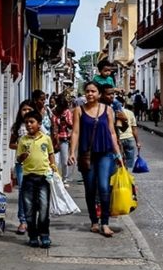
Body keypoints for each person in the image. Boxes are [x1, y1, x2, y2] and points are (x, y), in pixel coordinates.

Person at [68, 81, 123, 237]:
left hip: (106, 153)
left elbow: (112, 132)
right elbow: (76, 132)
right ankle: (94, 221)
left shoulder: (108, 110)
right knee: (90, 189)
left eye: (93, 91)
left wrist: (118, 153)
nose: (90, 94)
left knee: (105, 187)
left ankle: (105, 223)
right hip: (87, 154)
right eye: (87, 91)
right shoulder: (79, 110)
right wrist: (72, 152)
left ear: (99, 94)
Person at [16, 110, 58, 248]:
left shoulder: (46, 139)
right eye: (27, 122)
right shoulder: (23, 140)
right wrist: (22, 157)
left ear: (39, 124)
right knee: (29, 209)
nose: (28, 125)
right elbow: (18, 158)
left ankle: (44, 235)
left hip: (43, 177)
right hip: (28, 177)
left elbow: (51, 154)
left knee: (44, 208)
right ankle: (33, 236)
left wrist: (54, 167)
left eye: (32, 122)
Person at [9, 99, 35, 234]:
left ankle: (32, 220)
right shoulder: (17, 126)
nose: (26, 112)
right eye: (24, 109)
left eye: (29, 110)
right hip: (21, 164)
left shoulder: (38, 126)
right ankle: (23, 221)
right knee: (23, 192)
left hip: (37, 164)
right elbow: (11, 144)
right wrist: (21, 146)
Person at [51, 93, 74, 184]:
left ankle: (64, 179)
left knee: (64, 161)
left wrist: (66, 122)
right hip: (54, 139)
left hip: (64, 138)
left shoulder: (67, 112)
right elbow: (52, 125)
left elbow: (71, 125)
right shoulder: (53, 112)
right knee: (55, 162)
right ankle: (55, 178)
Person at [115, 103, 142, 170]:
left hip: (119, 139)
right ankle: (125, 173)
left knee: (119, 161)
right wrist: (137, 142)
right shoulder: (130, 113)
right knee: (128, 163)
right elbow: (134, 129)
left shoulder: (113, 112)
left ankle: (121, 174)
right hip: (129, 138)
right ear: (123, 104)